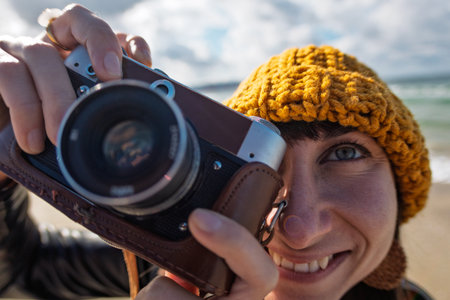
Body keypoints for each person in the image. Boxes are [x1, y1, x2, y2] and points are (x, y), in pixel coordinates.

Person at [0, 4, 433, 300]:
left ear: (401, 188)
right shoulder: (174, 264)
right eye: (264, 171)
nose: (299, 230)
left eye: (343, 155)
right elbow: (20, 272)